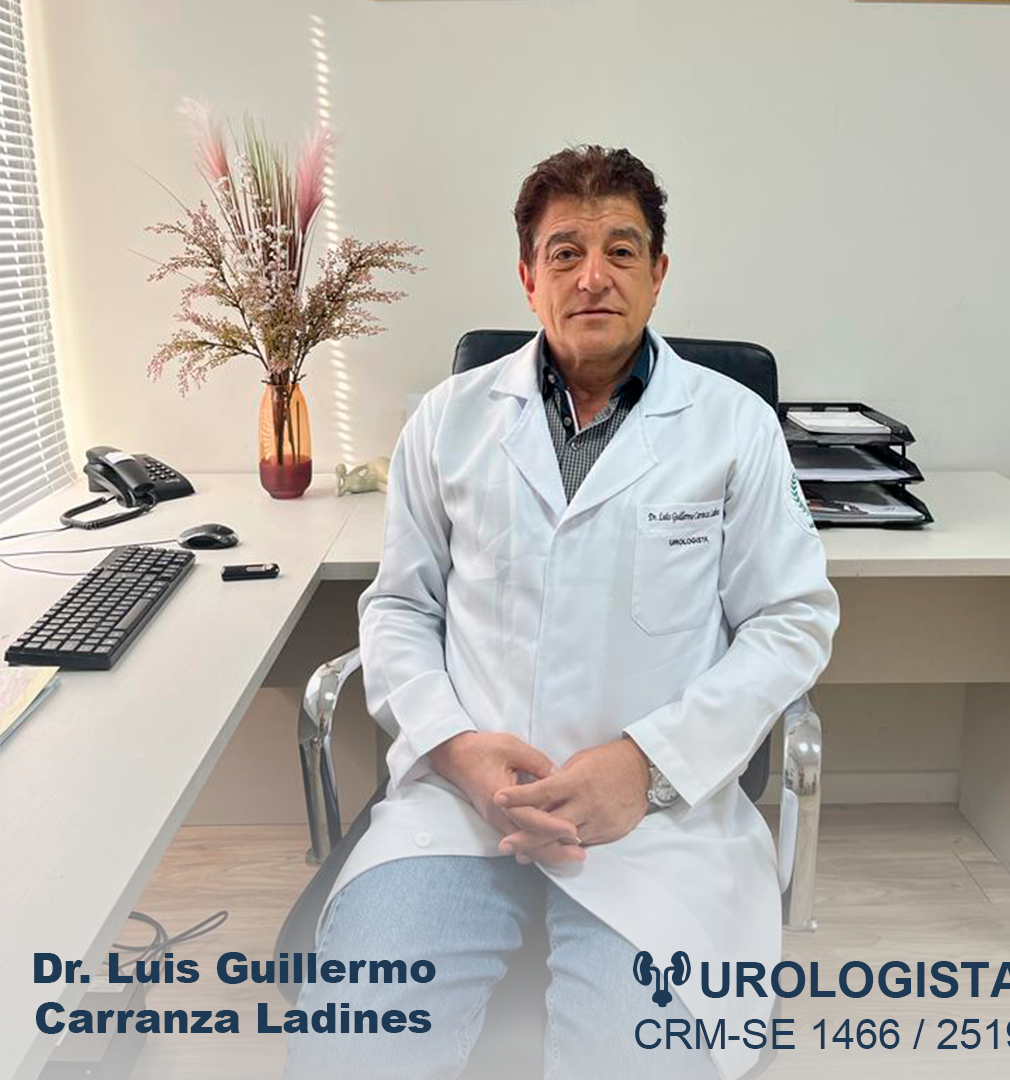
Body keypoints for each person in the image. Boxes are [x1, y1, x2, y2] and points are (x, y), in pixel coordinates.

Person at [285, 145, 839, 1080]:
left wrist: (647, 765)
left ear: (658, 274)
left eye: (621, 251)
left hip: (656, 822)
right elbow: (400, 609)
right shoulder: (448, 421)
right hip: (464, 808)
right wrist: (455, 749)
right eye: (565, 252)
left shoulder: (734, 425)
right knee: (359, 1047)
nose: (593, 276)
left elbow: (792, 620)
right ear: (527, 277)